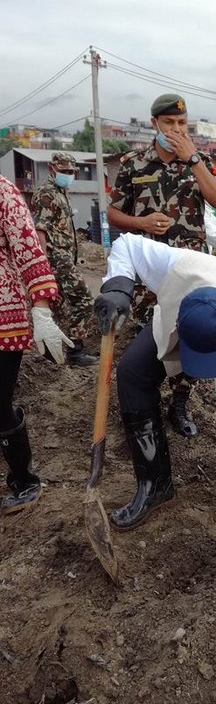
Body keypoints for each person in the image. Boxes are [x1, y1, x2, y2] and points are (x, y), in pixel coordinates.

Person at [93, 233, 216, 585]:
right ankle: (155, 485)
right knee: (133, 374)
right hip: (191, 313)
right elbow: (126, 244)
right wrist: (119, 286)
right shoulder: (177, 268)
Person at [108, 94, 216, 439]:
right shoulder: (132, 164)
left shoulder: (200, 160)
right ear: (155, 125)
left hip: (192, 269)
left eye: (182, 124)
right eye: (169, 123)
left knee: (187, 333)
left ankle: (179, 401)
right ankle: (142, 406)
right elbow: (113, 214)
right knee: (147, 338)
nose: (176, 129)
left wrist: (193, 159)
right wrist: (141, 223)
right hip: (149, 273)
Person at [0, 176, 73, 513]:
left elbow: (29, 250)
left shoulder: (3, 191)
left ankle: (23, 479)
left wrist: (41, 310)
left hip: (4, 318)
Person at [31, 152, 99, 367]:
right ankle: (75, 352)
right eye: (64, 171)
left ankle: (54, 354)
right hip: (56, 257)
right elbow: (39, 229)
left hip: (64, 255)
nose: (68, 175)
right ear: (52, 169)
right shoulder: (47, 193)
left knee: (59, 305)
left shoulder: (61, 191)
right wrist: (41, 265)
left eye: (71, 172)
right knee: (84, 298)